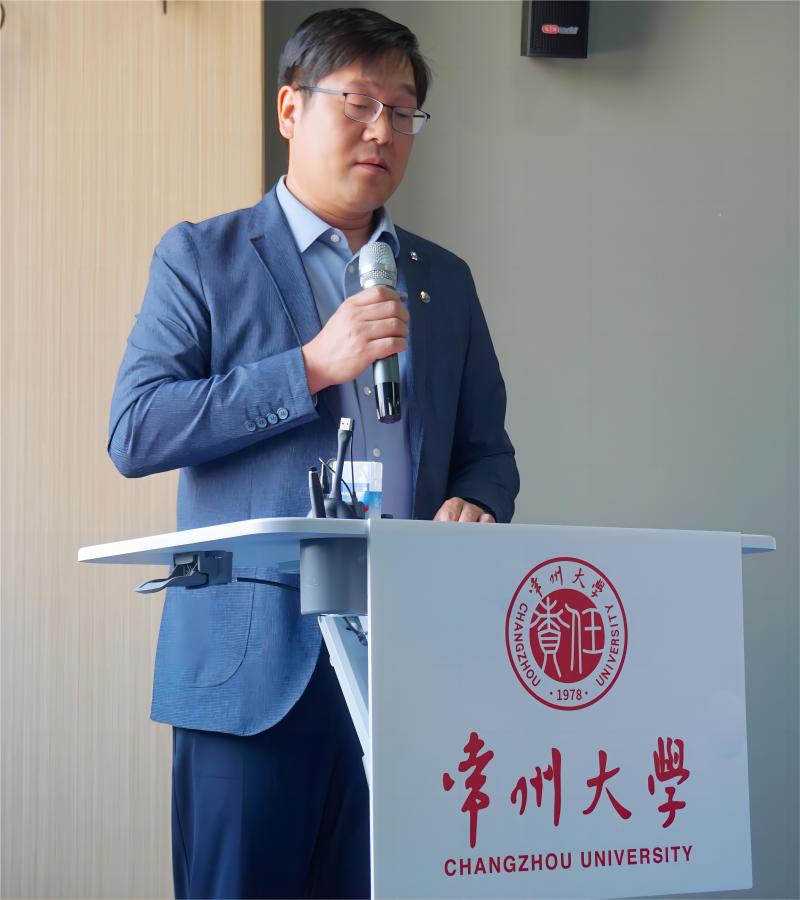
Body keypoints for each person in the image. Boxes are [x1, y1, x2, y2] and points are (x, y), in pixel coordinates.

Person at [108, 7, 519, 899]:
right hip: (253, 668)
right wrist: (310, 366)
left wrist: (479, 500)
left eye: (402, 111)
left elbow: (487, 452)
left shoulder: (443, 281)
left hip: (407, 665)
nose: (382, 130)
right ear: (290, 109)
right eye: (359, 102)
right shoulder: (203, 256)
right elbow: (136, 429)